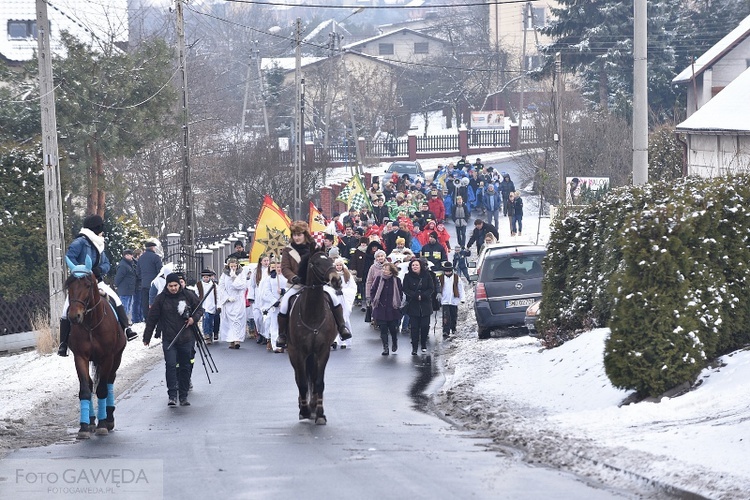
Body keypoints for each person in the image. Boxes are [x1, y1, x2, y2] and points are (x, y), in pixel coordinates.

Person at [57, 215, 136, 357]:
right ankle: (63, 344)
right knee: (65, 311)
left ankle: (127, 329)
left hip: (97, 281)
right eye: (101, 228)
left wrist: (100, 270)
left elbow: (106, 263)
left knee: (116, 299)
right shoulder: (80, 242)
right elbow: (69, 257)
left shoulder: (99, 243)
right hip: (81, 283)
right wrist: (80, 270)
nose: (103, 231)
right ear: (96, 228)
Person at [275, 221, 352, 348]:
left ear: (305, 234)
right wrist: (293, 277)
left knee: (333, 298)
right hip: (297, 285)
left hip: (316, 284)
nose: (296, 237)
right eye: (294, 235)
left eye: (299, 234)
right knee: (284, 305)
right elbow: (285, 268)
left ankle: (342, 327)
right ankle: (282, 335)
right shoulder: (288, 250)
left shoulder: (313, 247)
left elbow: (322, 263)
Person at [143, 272, 203, 407]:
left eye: (176, 285)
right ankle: (172, 395)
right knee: (170, 365)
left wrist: (194, 319)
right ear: (167, 286)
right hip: (169, 339)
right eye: (171, 286)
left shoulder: (188, 295)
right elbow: (152, 318)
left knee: (185, 366)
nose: (174, 288)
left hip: (186, 338)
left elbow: (200, 309)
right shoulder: (161, 299)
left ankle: (183, 396)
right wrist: (147, 337)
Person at [402, 258, 435, 355]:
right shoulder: (407, 276)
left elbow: (431, 288)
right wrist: (415, 295)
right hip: (413, 304)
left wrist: (424, 295)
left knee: (425, 326)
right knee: (414, 327)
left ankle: (423, 343)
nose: (415, 267)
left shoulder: (427, 275)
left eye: (416, 265)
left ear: (420, 266)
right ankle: (414, 347)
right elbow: (405, 288)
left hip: (425, 304)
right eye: (413, 265)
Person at [370, 262, 403, 356]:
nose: (384, 271)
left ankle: (394, 341)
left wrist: (397, 302)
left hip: (393, 309)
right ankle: (385, 347)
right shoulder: (378, 279)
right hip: (380, 308)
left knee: (393, 329)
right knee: (383, 329)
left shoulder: (397, 280)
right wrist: (374, 301)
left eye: (386, 269)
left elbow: (400, 293)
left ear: (391, 271)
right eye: (383, 269)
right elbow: (373, 291)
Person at [218, 258, 249, 349]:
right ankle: (230, 340)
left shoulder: (241, 273)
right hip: (228, 301)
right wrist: (227, 297)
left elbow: (243, 286)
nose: (233, 268)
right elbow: (221, 287)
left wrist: (235, 278)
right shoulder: (224, 274)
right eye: (231, 266)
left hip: (238, 300)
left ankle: (237, 340)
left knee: (237, 320)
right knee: (229, 321)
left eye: (235, 266)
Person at [259, 259, 285, 352]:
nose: (279, 269)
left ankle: (286, 344)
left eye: (280, 267)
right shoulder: (270, 279)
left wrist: (283, 291)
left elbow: (291, 288)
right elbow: (266, 291)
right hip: (275, 305)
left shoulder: (287, 277)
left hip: (285, 304)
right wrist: (274, 301)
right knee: (274, 325)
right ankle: (276, 345)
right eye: (277, 267)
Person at [137, 239, 163, 321]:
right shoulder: (156, 257)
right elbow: (160, 271)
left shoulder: (141, 258)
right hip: (154, 284)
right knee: (154, 302)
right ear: (152, 248)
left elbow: (138, 272)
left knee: (145, 303)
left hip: (144, 284)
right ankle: (155, 318)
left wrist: (143, 278)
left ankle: (147, 318)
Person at [334, 257, 357, 349]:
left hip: (344, 300)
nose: (339, 267)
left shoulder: (347, 275)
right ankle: (335, 340)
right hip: (334, 299)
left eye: (340, 265)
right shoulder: (331, 275)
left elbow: (352, 288)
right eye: (337, 265)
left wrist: (343, 291)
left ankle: (345, 340)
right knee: (334, 319)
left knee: (344, 319)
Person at [438, 262, 465, 338]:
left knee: (453, 315)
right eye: (446, 271)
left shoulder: (456, 278)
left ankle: (453, 328)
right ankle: (445, 331)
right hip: (444, 300)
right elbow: (438, 288)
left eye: (449, 271)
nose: (448, 272)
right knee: (446, 316)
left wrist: (462, 298)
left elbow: (460, 288)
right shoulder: (440, 278)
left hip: (454, 300)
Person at [248, 254, 269, 346]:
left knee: (266, 318)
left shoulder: (270, 271)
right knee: (257, 317)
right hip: (257, 296)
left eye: (268, 260)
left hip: (266, 296)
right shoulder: (256, 271)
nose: (266, 263)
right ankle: (260, 332)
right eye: (265, 261)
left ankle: (265, 336)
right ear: (261, 261)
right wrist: (251, 297)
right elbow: (252, 285)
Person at [195, 269, 219, 344]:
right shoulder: (198, 285)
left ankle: (210, 335)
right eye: (204, 277)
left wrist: (218, 305)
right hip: (203, 305)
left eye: (207, 277)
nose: (205, 278)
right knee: (206, 318)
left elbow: (218, 295)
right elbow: (196, 294)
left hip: (212, 305)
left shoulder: (214, 285)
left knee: (211, 321)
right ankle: (206, 334)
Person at [114, 249, 137, 320]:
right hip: (125, 289)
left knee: (128, 307)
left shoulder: (129, 264)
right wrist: (116, 284)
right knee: (124, 307)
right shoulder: (123, 265)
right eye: (127, 255)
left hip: (129, 289)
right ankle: (123, 321)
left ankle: (125, 320)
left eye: (129, 255)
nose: (129, 256)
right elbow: (119, 276)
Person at [131, 248, 144, 323]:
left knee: (140, 302)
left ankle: (140, 317)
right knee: (137, 302)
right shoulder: (134, 263)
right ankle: (136, 319)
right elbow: (137, 274)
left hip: (140, 285)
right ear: (138, 255)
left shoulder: (138, 263)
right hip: (137, 286)